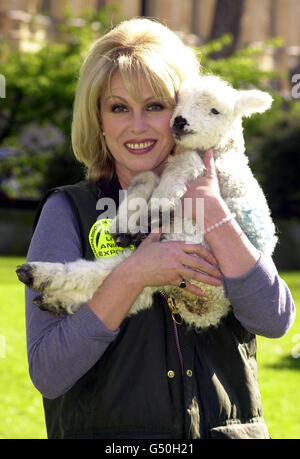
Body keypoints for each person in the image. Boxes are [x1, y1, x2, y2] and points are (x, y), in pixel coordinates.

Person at [25, 17, 295, 439]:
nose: (138, 126)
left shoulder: (230, 195)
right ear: (98, 119)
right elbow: (48, 372)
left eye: (155, 106)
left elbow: (274, 319)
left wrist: (212, 212)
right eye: (118, 108)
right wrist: (133, 274)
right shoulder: (68, 210)